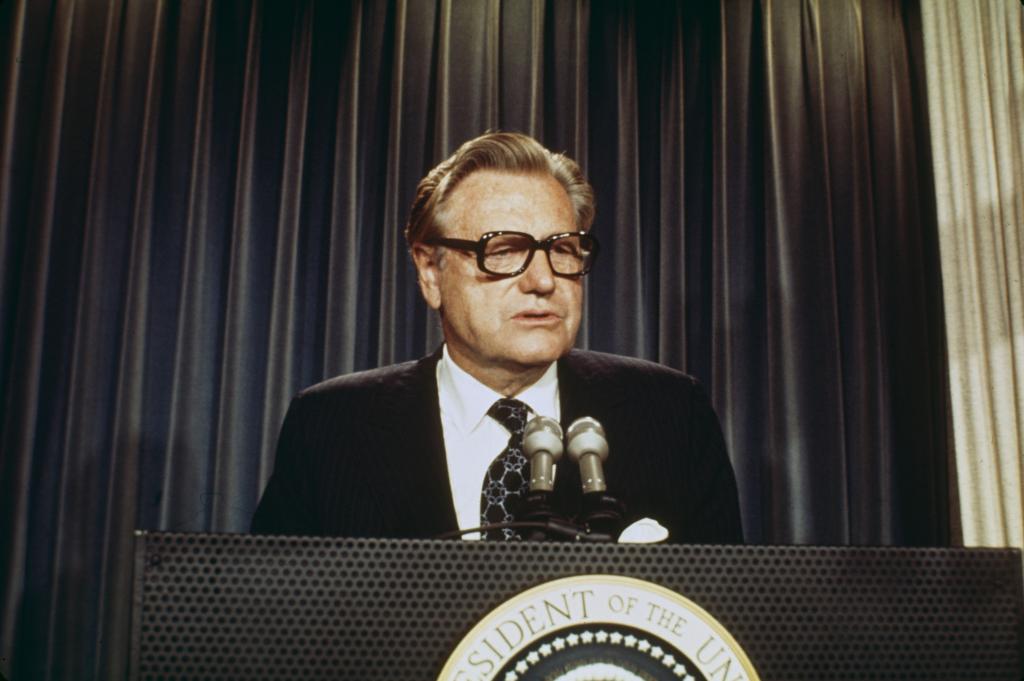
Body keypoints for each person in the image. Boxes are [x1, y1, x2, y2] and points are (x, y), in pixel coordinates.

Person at [251, 131, 743, 543]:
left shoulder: (671, 413)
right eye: (504, 250)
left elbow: (726, 627)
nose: (544, 280)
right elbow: (279, 628)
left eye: (564, 250)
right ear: (430, 271)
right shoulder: (331, 427)